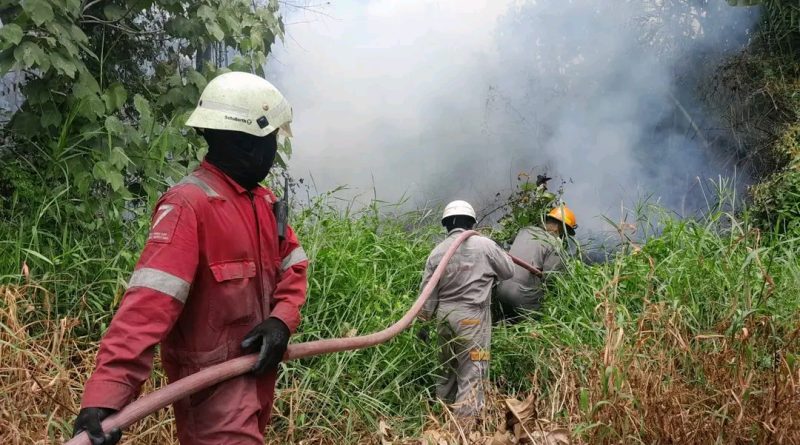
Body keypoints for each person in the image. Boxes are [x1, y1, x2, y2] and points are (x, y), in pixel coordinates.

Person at [72, 71, 309, 445]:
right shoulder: (189, 206)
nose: (272, 151)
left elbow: (294, 268)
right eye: (270, 141)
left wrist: (280, 320)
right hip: (211, 391)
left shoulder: (264, 204)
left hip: (258, 377)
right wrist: (106, 396)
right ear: (249, 144)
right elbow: (149, 303)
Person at [418, 200, 514, 423]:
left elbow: (427, 295)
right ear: (472, 223)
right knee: (473, 372)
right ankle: (464, 431)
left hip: (444, 319)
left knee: (445, 371)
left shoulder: (436, 252)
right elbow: (509, 271)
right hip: (472, 322)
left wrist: (423, 325)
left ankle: (440, 422)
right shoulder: (485, 245)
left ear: (446, 225)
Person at [494, 205, 577, 322]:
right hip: (523, 297)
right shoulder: (554, 244)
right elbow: (552, 279)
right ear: (561, 228)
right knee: (537, 322)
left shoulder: (525, 230)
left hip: (500, 289)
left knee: (505, 321)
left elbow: (510, 245)